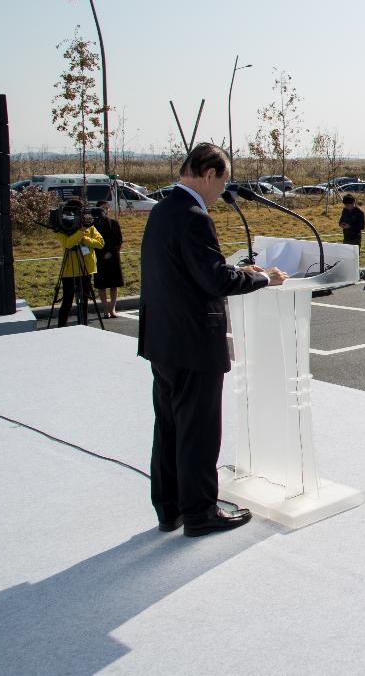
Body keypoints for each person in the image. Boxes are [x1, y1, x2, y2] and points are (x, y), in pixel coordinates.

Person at [139, 142, 286, 537]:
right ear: (208, 174)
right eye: (223, 180)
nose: (223, 190)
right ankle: (201, 511)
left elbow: (188, 270)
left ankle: (170, 509)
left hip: (163, 340)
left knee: (169, 427)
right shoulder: (194, 217)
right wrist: (261, 278)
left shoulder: (162, 211)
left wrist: (232, 268)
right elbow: (213, 280)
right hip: (194, 343)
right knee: (199, 431)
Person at [53, 197, 104, 327]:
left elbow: (100, 243)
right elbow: (68, 244)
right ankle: (61, 328)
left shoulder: (89, 225)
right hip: (70, 271)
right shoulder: (63, 226)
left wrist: (84, 237)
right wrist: (80, 233)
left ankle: (84, 326)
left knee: (84, 300)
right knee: (67, 302)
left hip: (86, 268)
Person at [91, 199, 124, 319]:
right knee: (101, 285)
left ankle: (112, 308)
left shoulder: (114, 223)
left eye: (107, 208)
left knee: (114, 284)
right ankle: (105, 309)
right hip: (99, 258)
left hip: (113, 257)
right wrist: (102, 254)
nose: (106, 210)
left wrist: (112, 252)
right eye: (103, 208)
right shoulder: (93, 225)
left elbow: (119, 240)